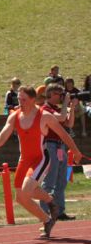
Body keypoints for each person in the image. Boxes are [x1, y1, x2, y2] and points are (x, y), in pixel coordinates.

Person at [0, 85, 81, 239]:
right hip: (24, 159)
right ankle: (48, 216)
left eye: (23, 99)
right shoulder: (14, 116)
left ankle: (51, 205)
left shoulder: (44, 116)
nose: (20, 102)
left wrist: (76, 151)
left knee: (27, 190)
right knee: (20, 197)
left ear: (33, 100)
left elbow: (64, 135)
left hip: (40, 159)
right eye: (18, 99)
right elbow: (3, 135)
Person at [38, 83, 77, 222]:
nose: (61, 96)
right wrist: (66, 102)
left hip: (60, 146)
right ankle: (44, 212)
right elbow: (60, 118)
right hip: (50, 146)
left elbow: (69, 124)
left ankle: (59, 211)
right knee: (50, 180)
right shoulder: (45, 108)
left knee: (61, 180)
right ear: (50, 94)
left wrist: (71, 108)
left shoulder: (58, 109)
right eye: (59, 94)